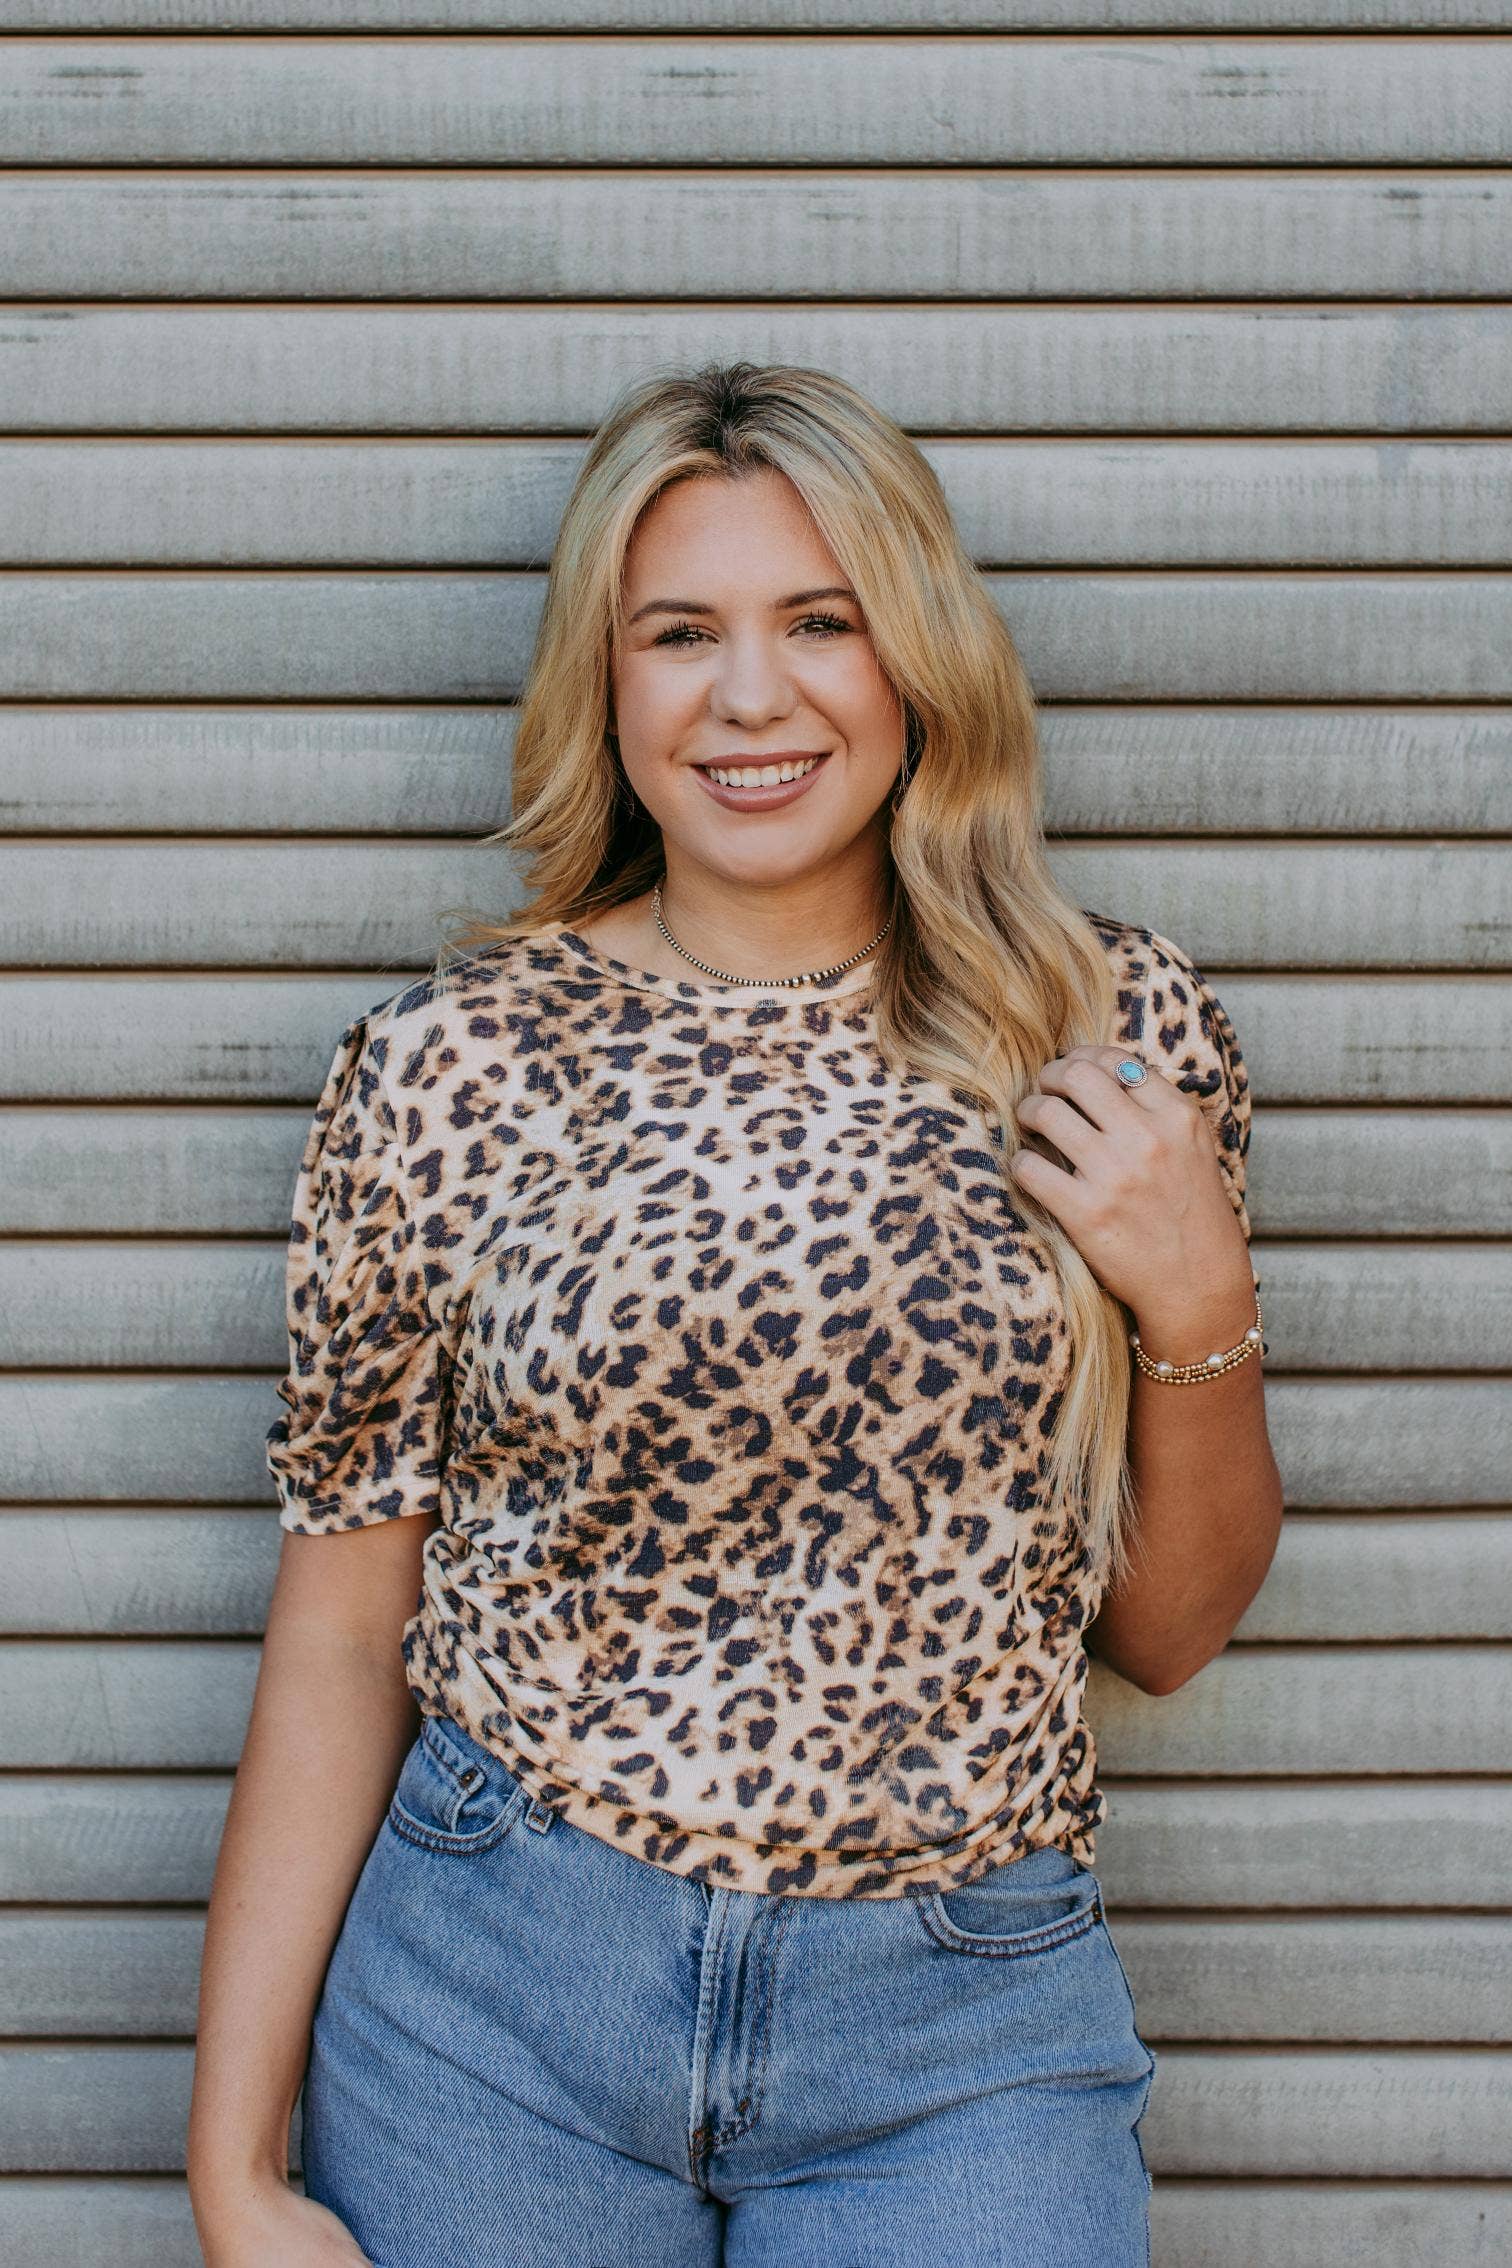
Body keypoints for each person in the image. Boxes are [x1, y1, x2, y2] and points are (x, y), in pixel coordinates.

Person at [187, 361, 1283, 2268]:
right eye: (681, 632)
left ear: (916, 659)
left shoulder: (1112, 1039)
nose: (752, 697)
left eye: (821, 624)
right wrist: (233, 2170)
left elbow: (1168, 1633)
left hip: (963, 2023)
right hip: (494, 1994)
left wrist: (1198, 1299)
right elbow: (347, 1633)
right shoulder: (448, 1068)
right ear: (606, 687)